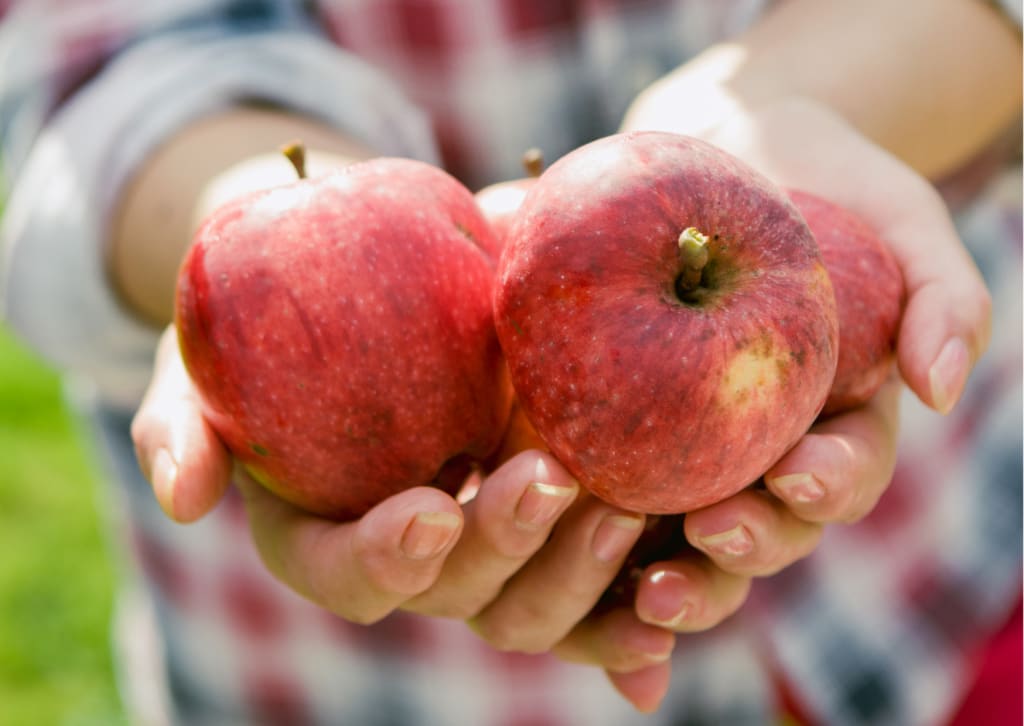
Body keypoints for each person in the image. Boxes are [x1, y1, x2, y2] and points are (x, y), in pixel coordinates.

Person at [1, 0, 1019, 723]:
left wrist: (808, 99)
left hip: (924, 583)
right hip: (360, 681)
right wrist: (287, 274)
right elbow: (87, 59)